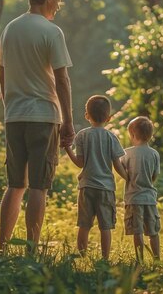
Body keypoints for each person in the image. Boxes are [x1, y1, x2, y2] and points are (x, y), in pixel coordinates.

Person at [0, 0, 75, 253]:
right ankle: (31, 250)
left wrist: (10, 107)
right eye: (59, 1)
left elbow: (2, 74)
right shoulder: (51, 31)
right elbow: (62, 80)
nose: (59, 7)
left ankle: (3, 247)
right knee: (38, 186)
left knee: (15, 184)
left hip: (14, 116)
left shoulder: (10, 29)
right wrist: (69, 121)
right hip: (43, 115)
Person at [64, 95, 127, 260]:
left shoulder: (82, 136)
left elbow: (79, 163)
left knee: (84, 225)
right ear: (109, 118)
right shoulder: (111, 137)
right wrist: (128, 177)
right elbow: (117, 164)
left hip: (86, 187)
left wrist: (67, 149)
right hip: (106, 189)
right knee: (105, 226)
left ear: (86, 115)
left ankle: (81, 256)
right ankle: (105, 259)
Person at [120, 116, 161, 262]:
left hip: (133, 198)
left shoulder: (126, 153)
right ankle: (157, 258)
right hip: (149, 198)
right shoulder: (154, 154)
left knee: (138, 231)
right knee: (153, 231)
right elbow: (154, 176)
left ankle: (140, 260)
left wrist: (128, 177)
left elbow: (121, 170)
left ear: (132, 134)